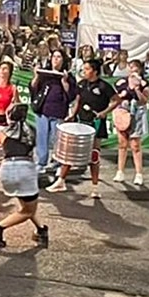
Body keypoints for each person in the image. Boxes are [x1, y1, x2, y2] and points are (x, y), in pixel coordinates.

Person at [47, 58, 118, 198]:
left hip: (96, 123)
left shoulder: (104, 86)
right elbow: (78, 100)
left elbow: (116, 100)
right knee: (70, 151)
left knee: (94, 155)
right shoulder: (82, 84)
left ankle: (95, 187)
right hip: (80, 121)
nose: (84, 71)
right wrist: (72, 114)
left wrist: (104, 112)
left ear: (95, 71)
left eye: (86, 69)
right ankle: (61, 181)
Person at [0, 104, 48, 249]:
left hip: (6, 170)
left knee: (26, 206)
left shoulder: (2, 133)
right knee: (28, 210)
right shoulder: (31, 131)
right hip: (25, 170)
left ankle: (41, 229)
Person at [31, 50, 75, 173]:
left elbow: (71, 95)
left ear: (63, 60)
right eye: (54, 57)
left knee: (56, 139)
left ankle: (57, 162)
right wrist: (36, 76)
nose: (56, 59)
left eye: (59, 57)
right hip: (43, 111)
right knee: (41, 137)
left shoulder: (68, 76)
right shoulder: (45, 74)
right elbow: (34, 87)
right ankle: (41, 162)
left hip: (58, 111)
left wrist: (64, 82)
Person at [113, 59, 149, 185]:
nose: (132, 71)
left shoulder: (144, 84)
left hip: (137, 114)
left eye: (135, 68)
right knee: (122, 143)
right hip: (123, 113)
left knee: (135, 145)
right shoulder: (121, 82)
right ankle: (120, 171)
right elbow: (118, 96)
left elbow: (144, 100)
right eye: (130, 68)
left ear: (140, 70)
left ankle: (139, 174)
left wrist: (136, 89)